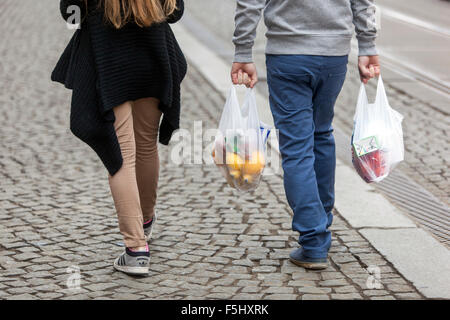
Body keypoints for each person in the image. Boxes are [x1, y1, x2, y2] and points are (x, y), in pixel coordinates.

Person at [231, 0, 380, 269]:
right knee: (321, 135)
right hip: (333, 55)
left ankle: (313, 240)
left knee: (297, 148)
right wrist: (367, 45)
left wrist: (243, 51)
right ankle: (320, 224)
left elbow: (250, 3)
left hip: (287, 55)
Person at [52, 0, 187, 275]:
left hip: (109, 62)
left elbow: (70, 15)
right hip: (153, 57)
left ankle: (136, 249)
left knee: (121, 154)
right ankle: (145, 222)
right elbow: (176, 12)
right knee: (146, 145)